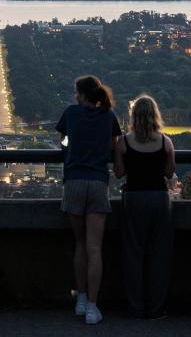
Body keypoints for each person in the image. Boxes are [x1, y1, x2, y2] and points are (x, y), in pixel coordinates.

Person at [56, 75, 121, 325]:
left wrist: (69, 151)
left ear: (81, 94)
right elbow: (112, 147)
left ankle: (81, 299)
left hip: (73, 180)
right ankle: (93, 307)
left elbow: (61, 140)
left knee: (80, 244)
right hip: (97, 182)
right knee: (95, 248)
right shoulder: (109, 116)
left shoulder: (71, 113)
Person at [114, 95, 175, 319]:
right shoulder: (165, 142)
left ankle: (135, 307)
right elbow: (169, 173)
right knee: (159, 255)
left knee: (133, 253)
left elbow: (119, 173)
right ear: (155, 115)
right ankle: (156, 308)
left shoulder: (124, 142)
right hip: (159, 197)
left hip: (134, 197)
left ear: (133, 115)